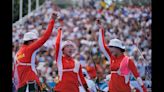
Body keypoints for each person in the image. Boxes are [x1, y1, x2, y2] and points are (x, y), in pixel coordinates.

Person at [96, 19, 147, 92]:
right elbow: (102, 46)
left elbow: (137, 76)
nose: (110, 49)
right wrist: (101, 29)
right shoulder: (111, 57)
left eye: (111, 47)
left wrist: (144, 89)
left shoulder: (127, 60)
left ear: (118, 48)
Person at [13, 12, 58, 92]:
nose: (37, 42)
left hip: (20, 84)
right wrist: (52, 20)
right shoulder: (29, 48)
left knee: (44, 88)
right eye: (35, 40)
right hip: (30, 80)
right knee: (44, 89)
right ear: (30, 41)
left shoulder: (19, 52)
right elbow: (45, 37)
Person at [53, 27, 90, 92]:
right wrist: (60, 32)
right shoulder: (60, 60)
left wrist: (87, 90)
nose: (70, 48)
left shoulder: (77, 63)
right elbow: (57, 44)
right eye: (67, 46)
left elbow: (82, 80)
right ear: (63, 50)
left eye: (71, 46)